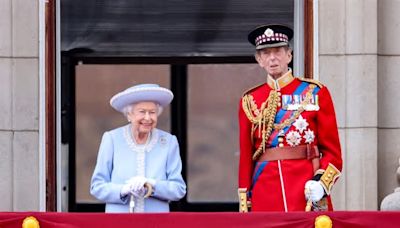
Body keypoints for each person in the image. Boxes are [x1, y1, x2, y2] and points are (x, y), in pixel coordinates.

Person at [238, 24, 343, 212]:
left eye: (278, 51)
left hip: (306, 187)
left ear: (289, 55)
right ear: (259, 59)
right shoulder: (250, 100)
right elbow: (246, 158)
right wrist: (246, 202)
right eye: (265, 53)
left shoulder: (315, 92)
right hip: (265, 191)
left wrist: (321, 183)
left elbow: (333, 152)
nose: (272, 58)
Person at [90, 83, 186, 213]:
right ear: (129, 115)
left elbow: (178, 189)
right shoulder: (112, 139)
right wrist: (123, 189)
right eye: (142, 112)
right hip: (119, 222)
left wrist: (151, 184)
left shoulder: (169, 142)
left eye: (152, 112)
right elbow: (97, 187)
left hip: (156, 222)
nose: (147, 118)